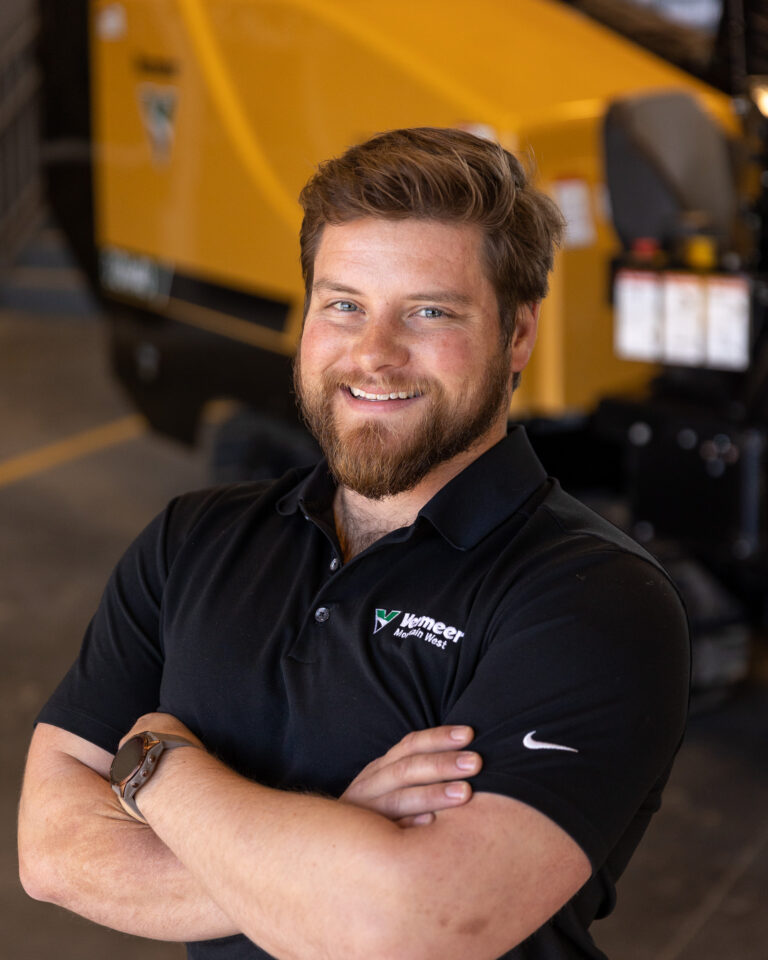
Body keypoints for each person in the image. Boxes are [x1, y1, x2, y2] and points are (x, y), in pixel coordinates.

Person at [18, 127, 689, 960]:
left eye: (430, 311)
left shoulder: (593, 598)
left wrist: (157, 765)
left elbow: (408, 927)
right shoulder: (193, 541)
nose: (374, 354)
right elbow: (52, 853)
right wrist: (342, 833)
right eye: (343, 305)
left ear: (518, 335)